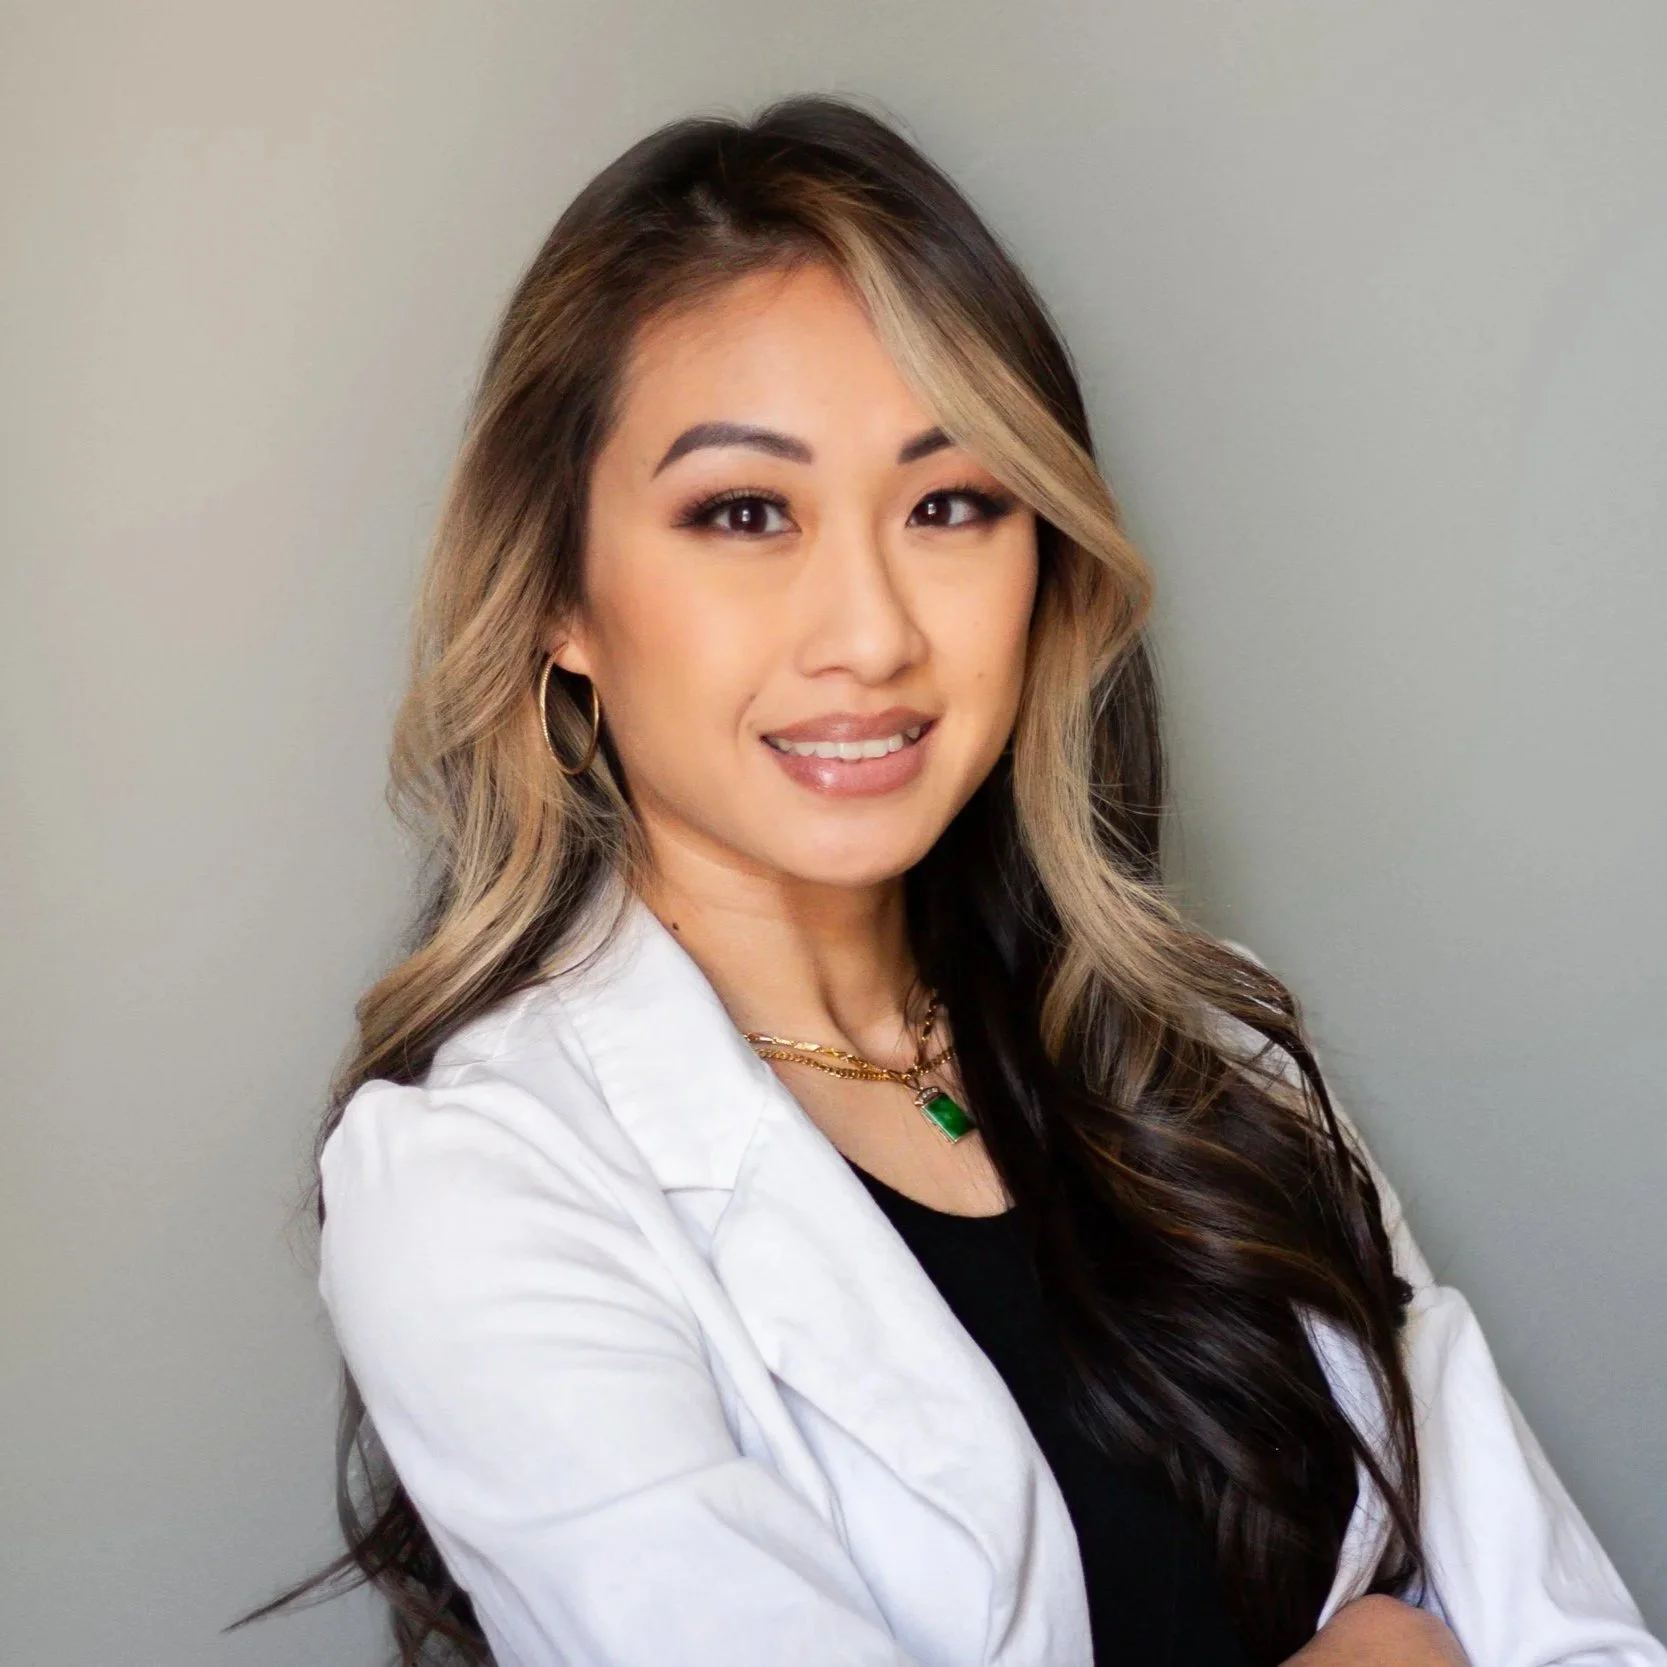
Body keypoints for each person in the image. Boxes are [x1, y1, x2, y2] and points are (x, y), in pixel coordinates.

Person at [238, 96, 1664, 1667]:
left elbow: (1571, 1638)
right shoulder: (472, 1176)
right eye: (743, 512)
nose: (869, 632)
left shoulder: (1212, 1058)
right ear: (559, 598)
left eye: (950, 503)